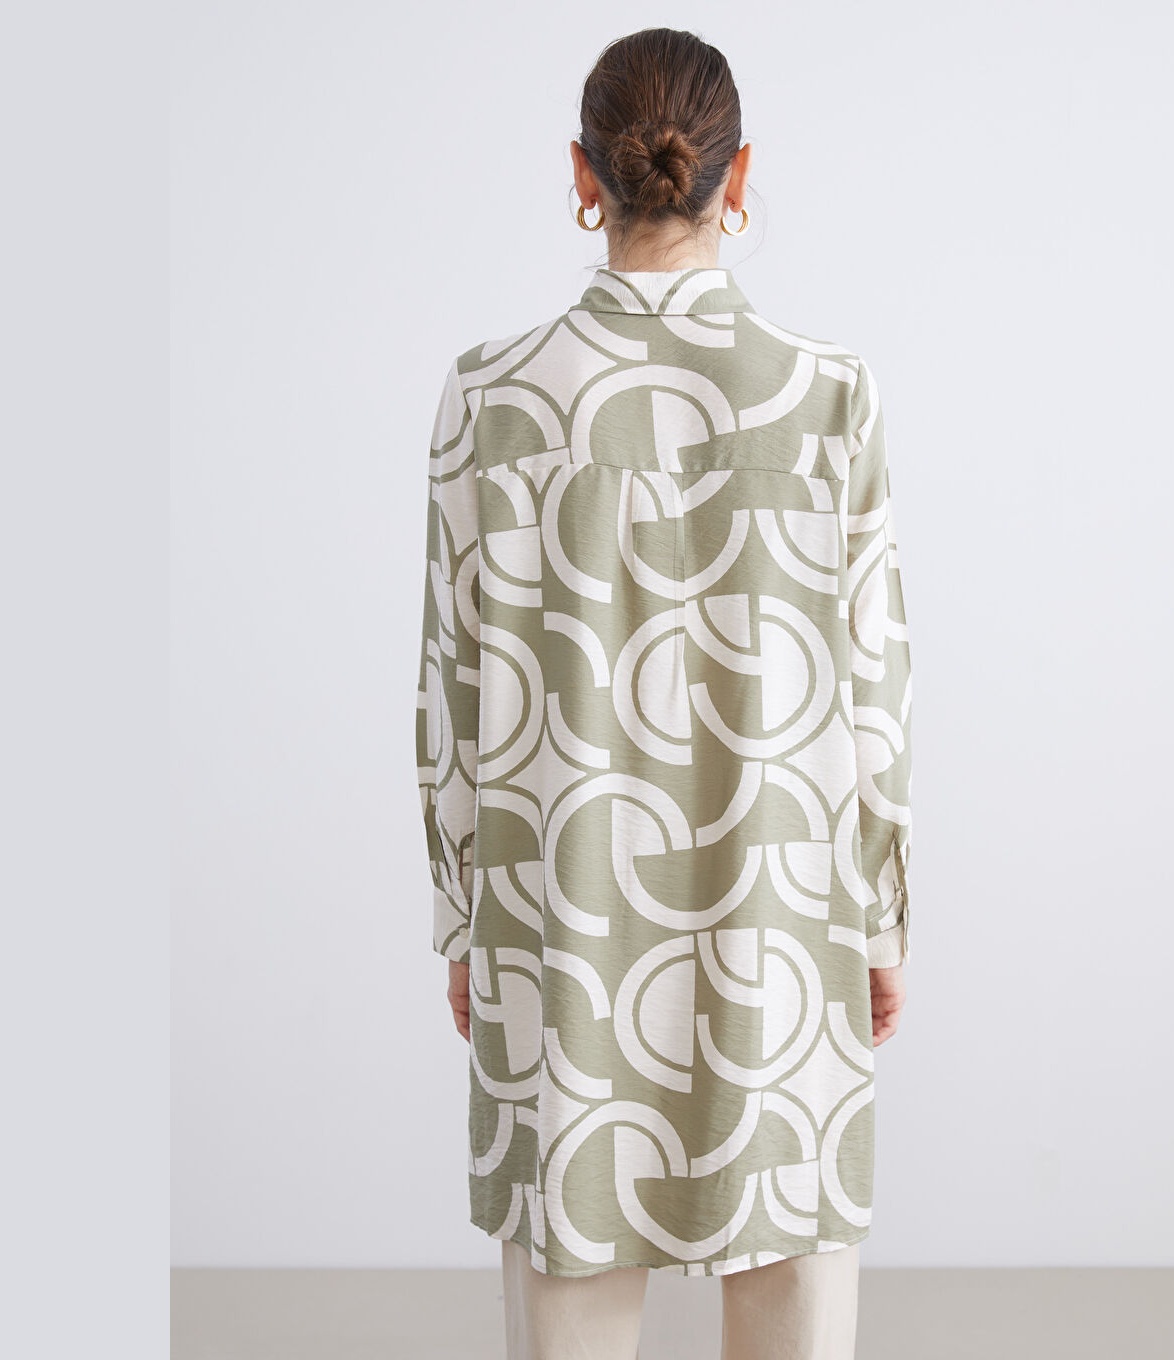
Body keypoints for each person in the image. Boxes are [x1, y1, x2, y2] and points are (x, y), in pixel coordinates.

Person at [415, 26, 914, 1360]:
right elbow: (874, 688)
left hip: (558, 909)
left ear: (582, 175)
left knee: (566, 1276)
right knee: (793, 1270)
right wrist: (877, 918)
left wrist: (464, 915)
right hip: (782, 912)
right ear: (736, 177)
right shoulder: (828, 396)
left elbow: (454, 682)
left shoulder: (490, 397)